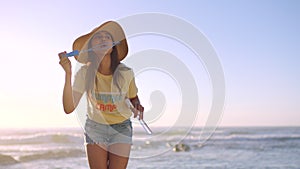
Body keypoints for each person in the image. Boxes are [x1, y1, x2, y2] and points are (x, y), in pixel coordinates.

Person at [58, 21, 144, 169]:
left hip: (121, 128)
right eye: (98, 37)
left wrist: (137, 105)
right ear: (91, 47)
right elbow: (68, 107)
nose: (103, 39)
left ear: (113, 45)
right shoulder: (85, 73)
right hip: (95, 128)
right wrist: (68, 74)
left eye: (107, 37)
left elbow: (133, 97)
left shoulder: (126, 73)